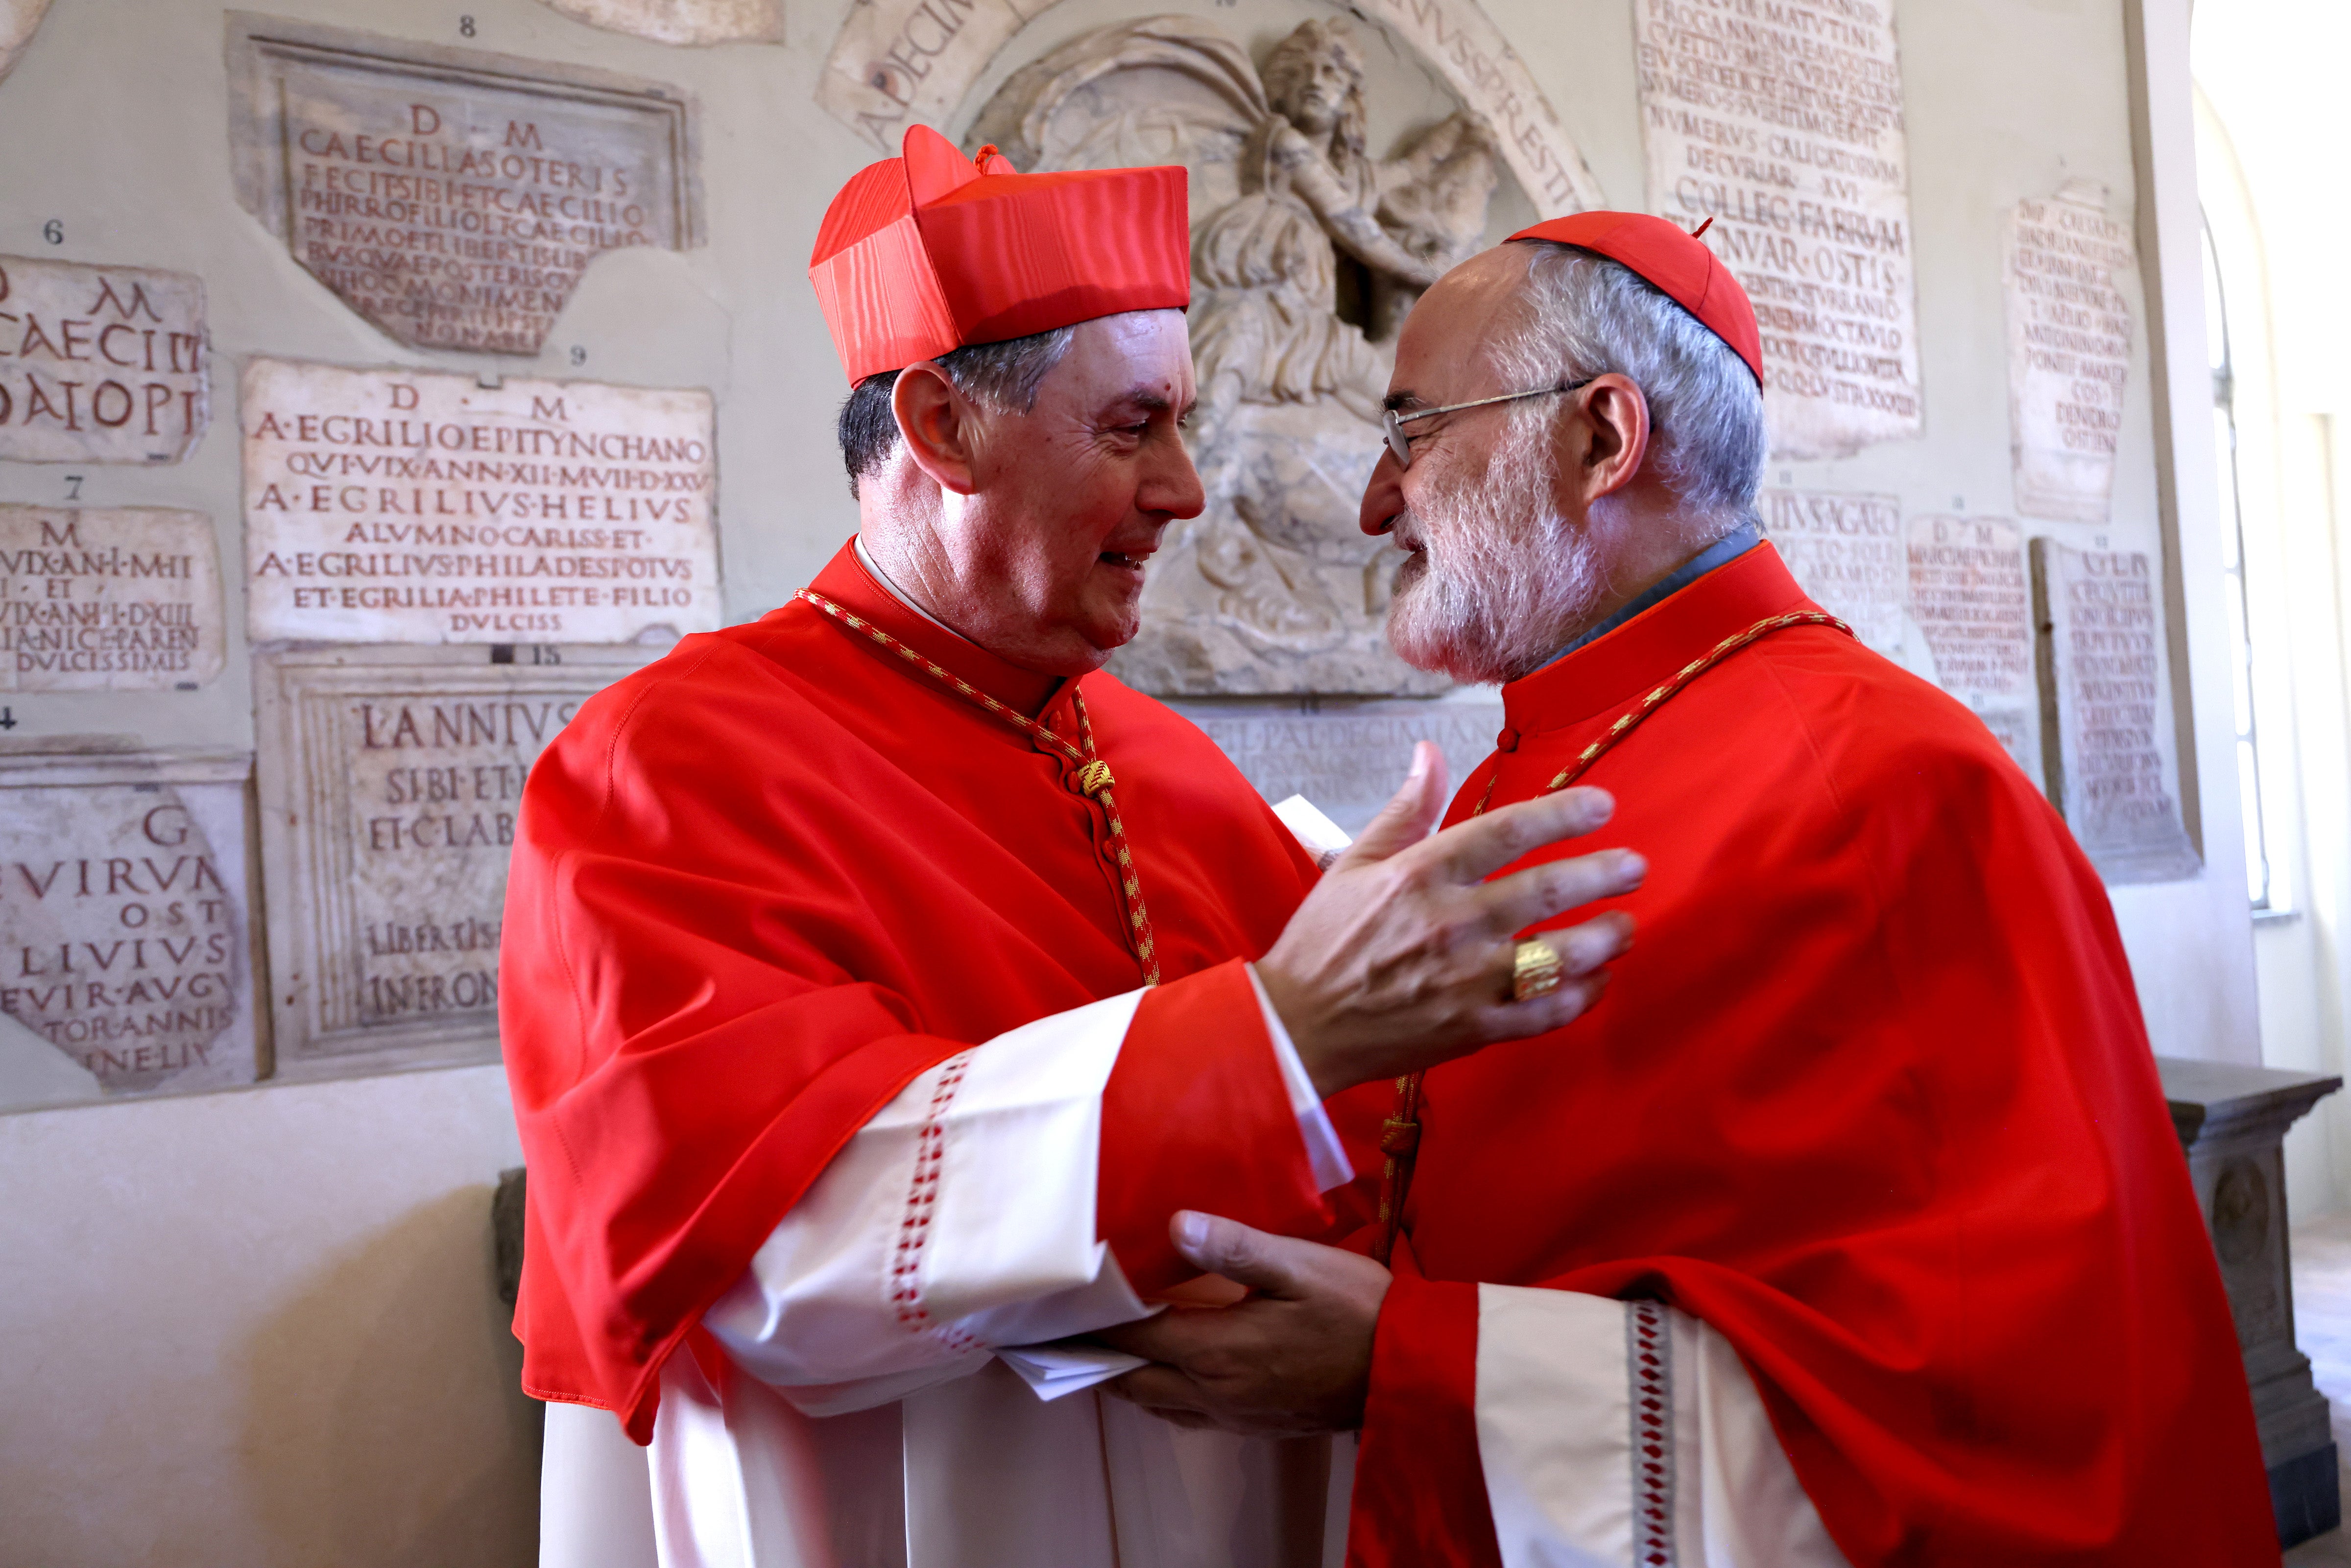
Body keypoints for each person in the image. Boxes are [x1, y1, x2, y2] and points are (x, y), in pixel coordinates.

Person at [500, 127, 1645, 1568]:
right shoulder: (667, 766)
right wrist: (1273, 1034)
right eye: (1133, 427)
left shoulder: (1163, 759)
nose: (1185, 488)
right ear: (941, 426)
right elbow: (770, 1255)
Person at [1099, 212, 2279, 1566]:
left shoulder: (1898, 795)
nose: (1375, 500)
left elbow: (2019, 1430)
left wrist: (1410, 1363)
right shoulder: (1539, 760)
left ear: (1603, 438)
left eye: (1414, 431)